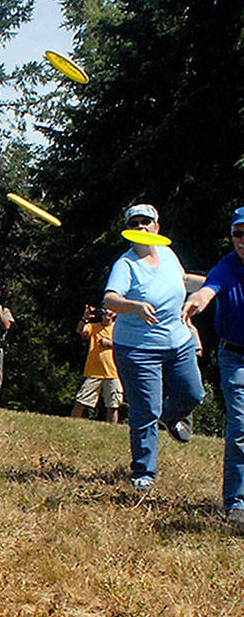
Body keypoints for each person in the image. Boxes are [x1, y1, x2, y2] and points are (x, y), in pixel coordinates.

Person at [103, 203, 204, 490]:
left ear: (156, 227)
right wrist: (134, 306)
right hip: (137, 349)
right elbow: (109, 299)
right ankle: (143, 474)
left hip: (178, 342)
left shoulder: (169, 255)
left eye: (146, 222)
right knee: (145, 409)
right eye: (134, 223)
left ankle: (171, 418)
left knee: (193, 393)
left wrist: (212, 287)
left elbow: (183, 280)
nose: (141, 227)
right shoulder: (125, 265)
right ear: (128, 230)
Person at [182, 206, 244, 523]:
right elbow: (209, 288)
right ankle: (237, 504)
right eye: (238, 233)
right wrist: (196, 302)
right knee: (239, 429)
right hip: (235, 358)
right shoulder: (227, 266)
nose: (243, 239)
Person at [70, 305, 123, 423]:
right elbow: (80, 331)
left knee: (113, 406)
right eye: (104, 313)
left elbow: (123, 347)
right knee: (81, 402)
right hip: (94, 372)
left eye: (109, 314)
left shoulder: (118, 329)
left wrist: (109, 343)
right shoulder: (93, 327)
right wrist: (85, 318)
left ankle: (112, 431)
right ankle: (72, 424)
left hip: (112, 373)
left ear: (114, 315)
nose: (106, 316)